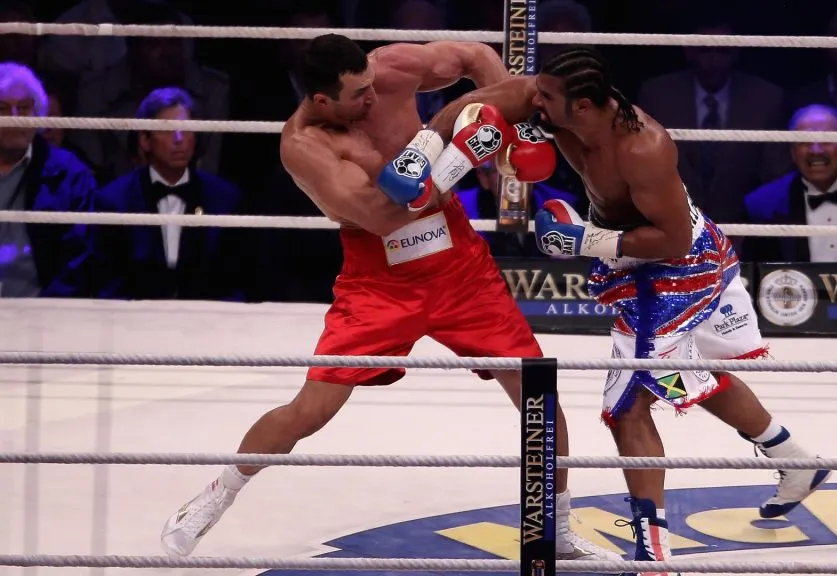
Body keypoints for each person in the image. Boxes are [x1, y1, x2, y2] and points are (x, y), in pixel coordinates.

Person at [159, 35, 619, 564]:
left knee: (537, 388)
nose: (373, 97)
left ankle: (554, 527)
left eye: (371, 84)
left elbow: (478, 60)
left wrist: (507, 139)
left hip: (458, 266)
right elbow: (382, 216)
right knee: (311, 409)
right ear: (322, 100)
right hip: (378, 280)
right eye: (358, 94)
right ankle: (218, 494)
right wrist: (459, 157)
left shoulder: (392, 69)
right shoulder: (305, 145)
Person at [426, 46, 832, 573]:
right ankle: (793, 457)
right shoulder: (548, 102)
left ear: (584, 106)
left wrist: (584, 240)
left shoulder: (643, 148)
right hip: (633, 259)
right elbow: (473, 104)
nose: (536, 103)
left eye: (548, 97)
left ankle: (653, 555)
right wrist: (422, 152)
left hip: (674, 267)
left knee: (626, 408)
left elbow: (672, 239)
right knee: (679, 372)